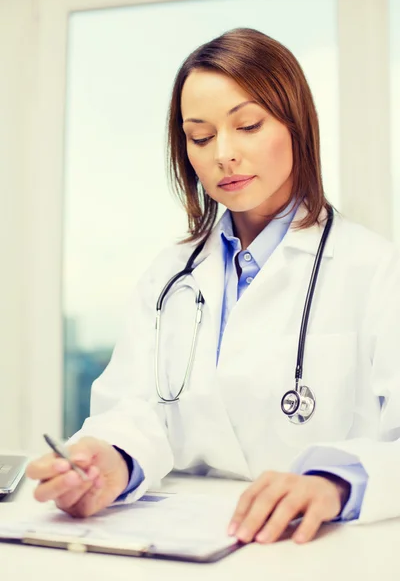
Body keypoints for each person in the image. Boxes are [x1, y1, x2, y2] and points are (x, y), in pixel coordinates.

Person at [27, 27, 400, 545]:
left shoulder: (376, 269)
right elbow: (135, 411)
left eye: (247, 125)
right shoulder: (169, 274)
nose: (223, 153)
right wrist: (108, 461)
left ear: (297, 125)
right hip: (188, 540)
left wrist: (337, 482)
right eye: (200, 137)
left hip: (320, 547)